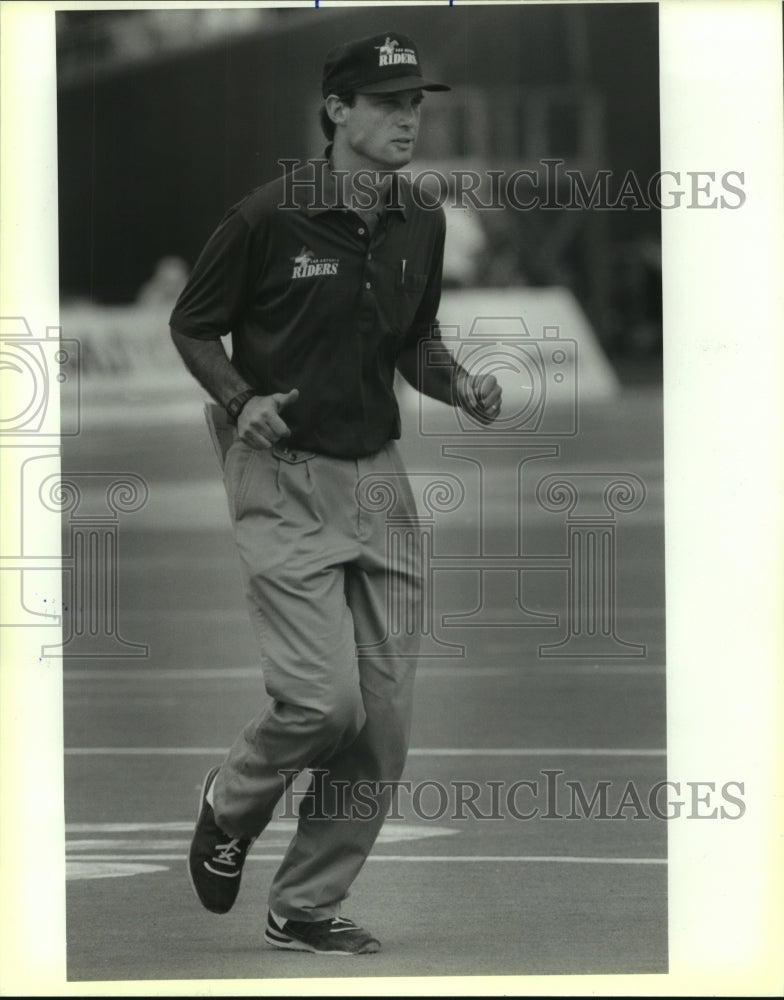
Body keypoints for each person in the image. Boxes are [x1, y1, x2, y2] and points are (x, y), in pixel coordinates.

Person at [169, 30, 501, 956]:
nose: (407, 118)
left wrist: (459, 382)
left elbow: (414, 341)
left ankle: (305, 904)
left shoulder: (421, 221)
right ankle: (231, 802)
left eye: (415, 103)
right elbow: (192, 326)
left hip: (380, 482)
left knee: (383, 724)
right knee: (324, 704)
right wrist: (241, 400)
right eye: (388, 102)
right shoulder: (265, 219)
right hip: (280, 473)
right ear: (336, 112)